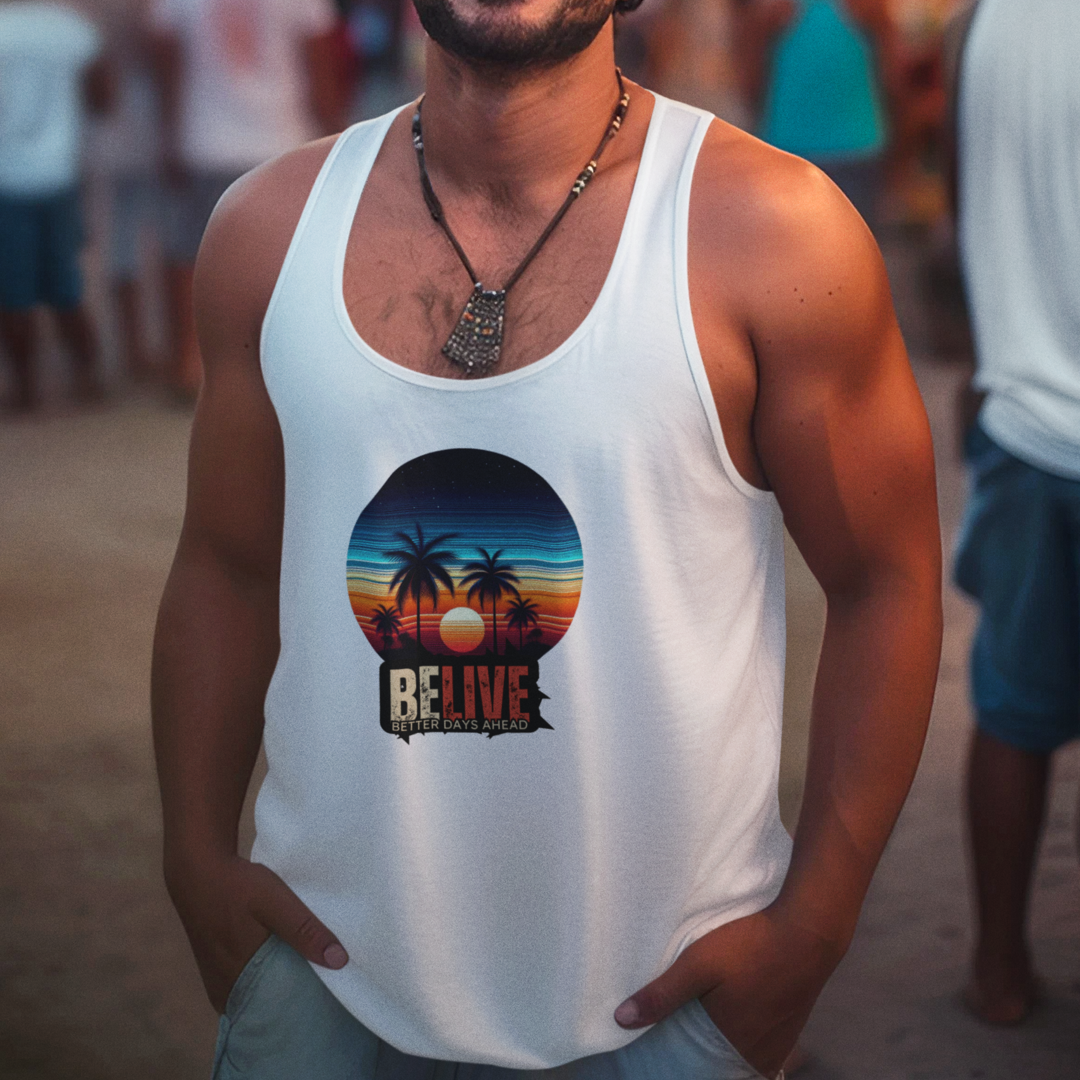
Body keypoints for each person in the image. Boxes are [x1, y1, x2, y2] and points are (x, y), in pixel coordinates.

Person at [151, 0, 942, 1076]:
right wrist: (194, 856)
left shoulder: (773, 230)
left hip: (660, 1000)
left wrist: (816, 923)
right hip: (323, 979)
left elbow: (887, 581)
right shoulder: (267, 229)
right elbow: (226, 568)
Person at [951, 0, 1080, 1028]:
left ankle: (998, 968)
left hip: (1025, 420)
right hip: (1030, 421)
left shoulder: (987, 16)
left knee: (1011, 712)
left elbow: (964, 203)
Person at [147, 0, 348, 397]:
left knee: (190, 253)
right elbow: (322, 70)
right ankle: (291, 361)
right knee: (289, 260)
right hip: (283, 142)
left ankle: (190, 359)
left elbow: (167, 65)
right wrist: (337, 138)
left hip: (205, 142)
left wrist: (169, 137)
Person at [0, 0, 108, 411]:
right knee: (66, 283)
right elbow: (102, 97)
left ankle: (26, 388)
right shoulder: (71, 28)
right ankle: (88, 376)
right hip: (60, 170)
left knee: (13, 292)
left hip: (6, 176)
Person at [733, 0, 899, 227]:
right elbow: (893, 78)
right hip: (824, 149)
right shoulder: (774, 9)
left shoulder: (773, 9)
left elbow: (749, 80)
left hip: (827, 149)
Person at [88, 0, 166, 383]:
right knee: (166, 245)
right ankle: (143, 350)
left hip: (122, 136)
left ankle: (138, 350)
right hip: (145, 135)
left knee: (127, 247)